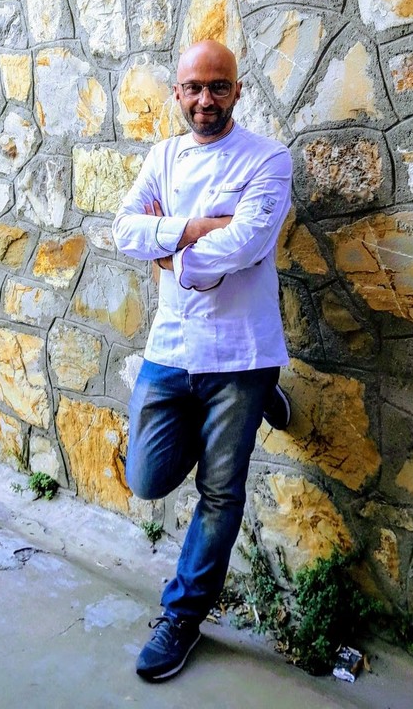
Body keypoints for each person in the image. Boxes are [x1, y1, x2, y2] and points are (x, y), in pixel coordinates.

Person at [112, 40, 293, 681]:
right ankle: (259, 403)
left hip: (240, 353)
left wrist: (168, 250)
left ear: (238, 90)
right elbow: (123, 229)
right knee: (146, 477)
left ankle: (182, 617)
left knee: (220, 491)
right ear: (178, 94)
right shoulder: (163, 157)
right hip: (171, 346)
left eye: (218, 86)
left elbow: (247, 244)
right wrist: (195, 228)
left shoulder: (268, 158)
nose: (205, 100)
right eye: (194, 87)